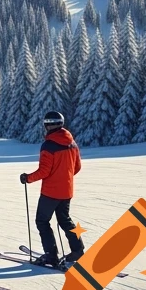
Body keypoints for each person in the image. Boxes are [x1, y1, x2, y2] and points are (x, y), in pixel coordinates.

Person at [21, 110, 85, 267]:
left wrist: (27, 178)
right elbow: (77, 167)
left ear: (46, 125)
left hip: (50, 192)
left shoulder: (48, 145)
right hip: (66, 190)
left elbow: (44, 171)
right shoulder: (71, 142)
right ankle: (78, 250)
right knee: (65, 220)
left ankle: (51, 255)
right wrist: (64, 177)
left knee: (42, 221)